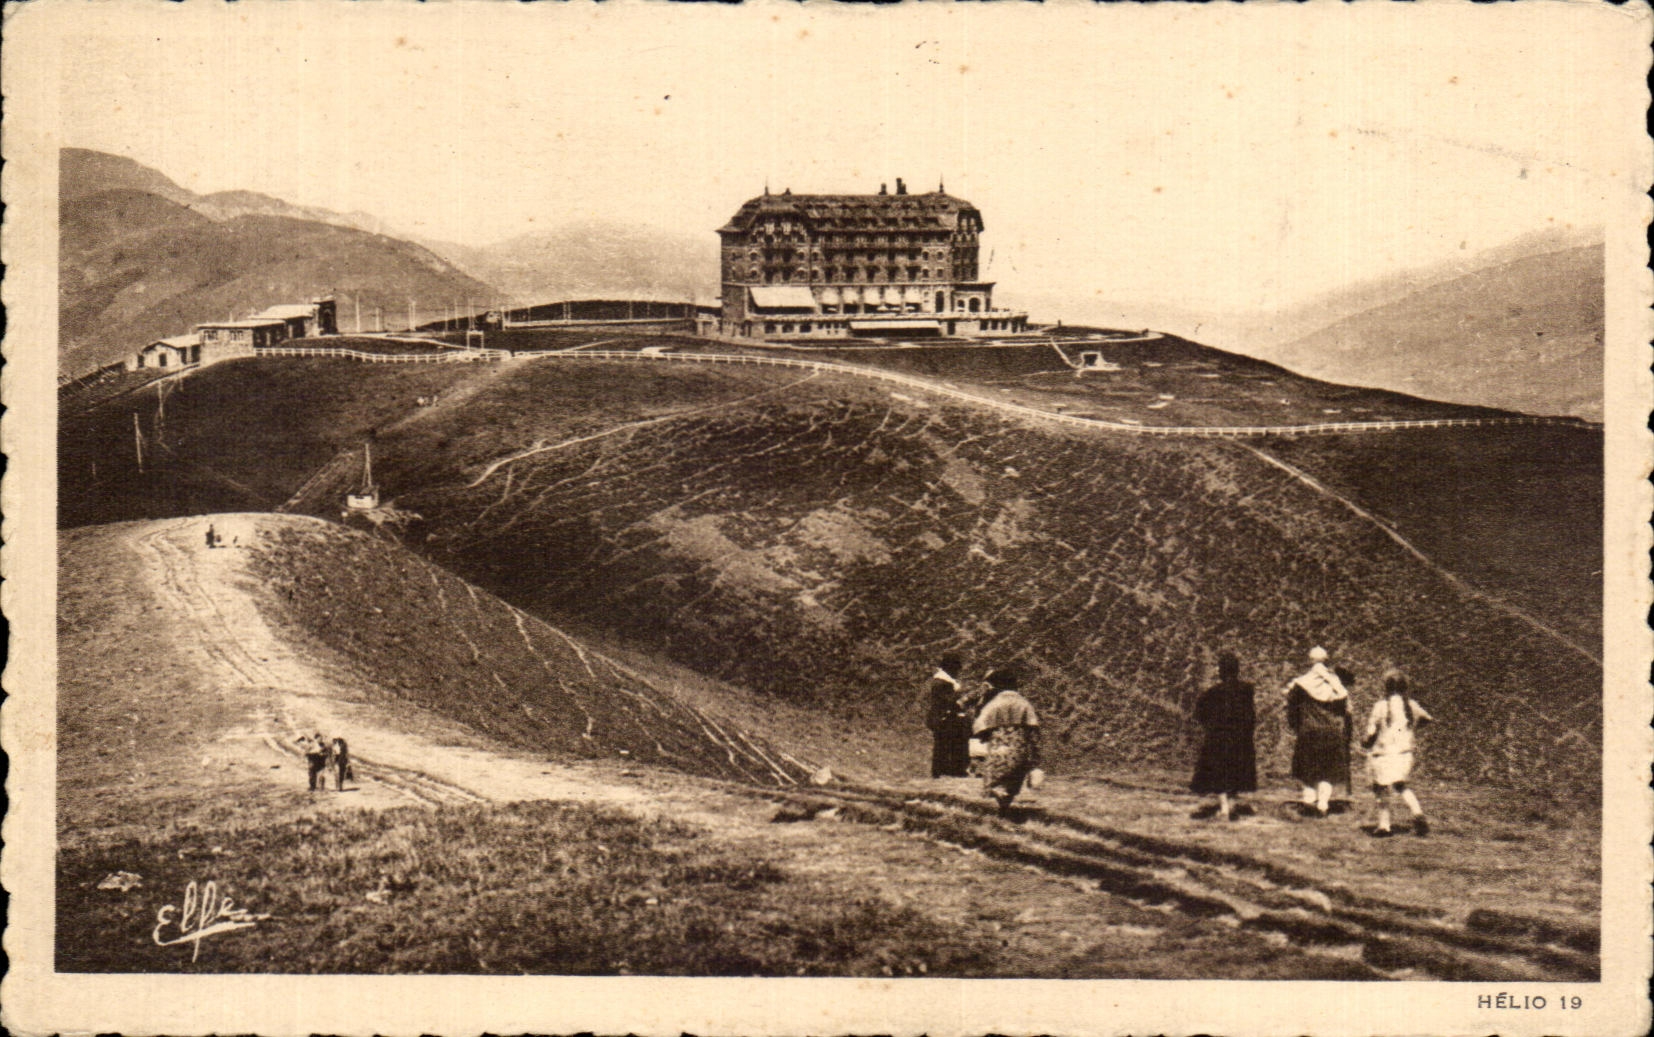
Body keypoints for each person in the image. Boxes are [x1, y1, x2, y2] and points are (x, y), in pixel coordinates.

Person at [1362, 669, 1435, 837]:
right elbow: (1427, 718)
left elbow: (1371, 732)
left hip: (1384, 754)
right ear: (1404, 688)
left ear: (1386, 687)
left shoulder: (1381, 706)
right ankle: (1417, 813)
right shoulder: (1411, 705)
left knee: (1381, 788)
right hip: (1405, 754)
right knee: (1400, 786)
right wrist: (1412, 729)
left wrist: (1366, 742)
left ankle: (1384, 826)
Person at [1284, 646, 1351, 818]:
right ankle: (1323, 803)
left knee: (1308, 767)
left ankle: (1309, 800)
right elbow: (1344, 709)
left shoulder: (1301, 684)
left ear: (1310, 660)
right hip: (1332, 731)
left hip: (1309, 730)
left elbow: (1291, 706)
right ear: (1326, 660)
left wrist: (1296, 726)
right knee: (1327, 769)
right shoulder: (1336, 684)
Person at [1189, 651, 1257, 821]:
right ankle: (1231, 805)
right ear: (1237, 670)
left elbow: (1199, 714)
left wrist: (1211, 727)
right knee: (1236, 771)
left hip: (1218, 738)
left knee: (1218, 773)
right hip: (1240, 738)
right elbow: (1251, 716)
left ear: (1221, 671)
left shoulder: (1212, 693)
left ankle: (1225, 808)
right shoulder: (1247, 690)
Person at [972, 668, 1041, 815]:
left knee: (996, 779)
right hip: (1019, 747)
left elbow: (979, 724)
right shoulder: (1024, 703)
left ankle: (1001, 805)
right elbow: (1033, 726)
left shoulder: (995, 703)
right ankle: (1005, 807)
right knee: (1013, 781)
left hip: (999, 747)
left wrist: (984, 735)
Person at [923, 654, 973, 778]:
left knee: (945, 745)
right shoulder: (942, 683)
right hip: (943, 718)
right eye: (956, 669)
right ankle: (946, 771)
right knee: (945, 745)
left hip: (943, 717)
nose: (957, 672)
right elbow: (948, 701)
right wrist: (964, 697)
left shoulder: (942, 682)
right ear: (950, 668)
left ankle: (946, 771)